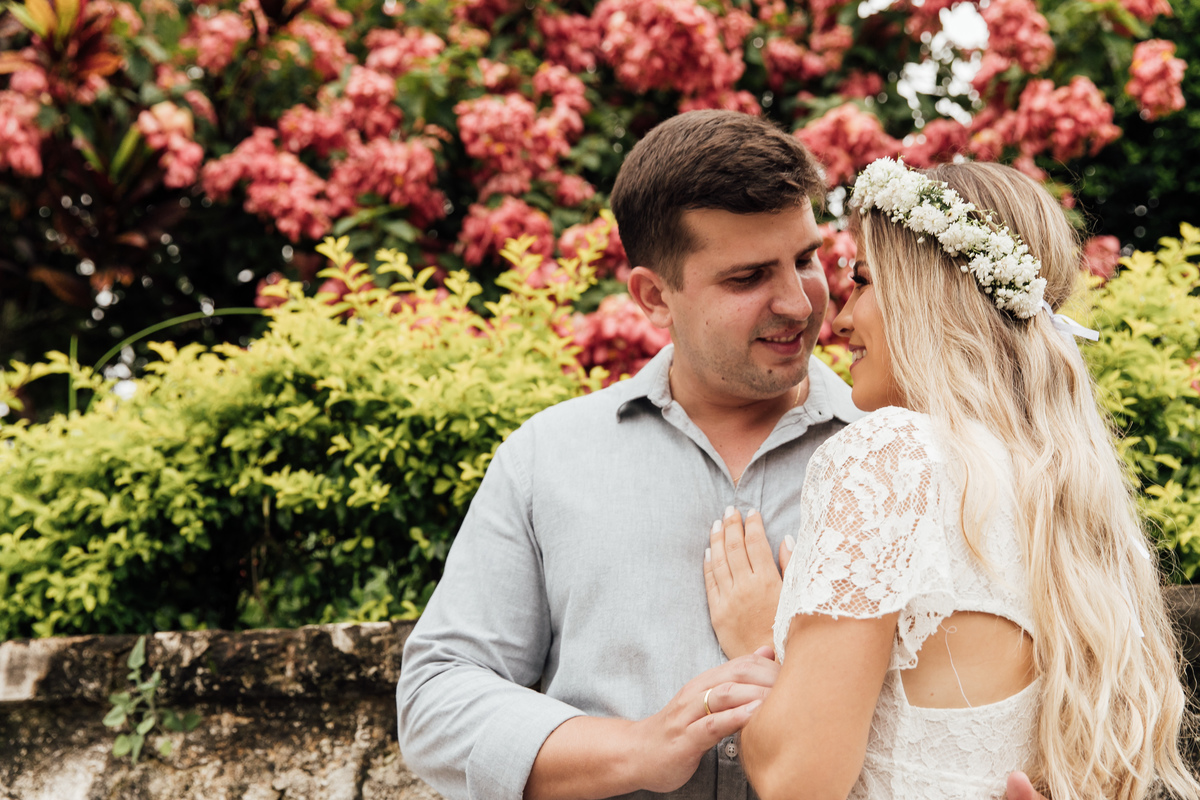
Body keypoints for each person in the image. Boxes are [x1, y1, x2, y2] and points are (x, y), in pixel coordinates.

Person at [397, 111, 1051, 800]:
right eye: (748, 278)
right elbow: (436, 695)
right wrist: (636, 749)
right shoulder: (547, 458)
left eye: (807, 259)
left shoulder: (925, 459)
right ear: (654, 296)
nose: (801, 303)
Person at [717, 159, 1199, 800]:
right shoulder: (1068, 493)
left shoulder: (893, 454)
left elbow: (795, 780)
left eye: (861, 281)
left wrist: (762, 640)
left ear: (924, 290)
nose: (839, 318)